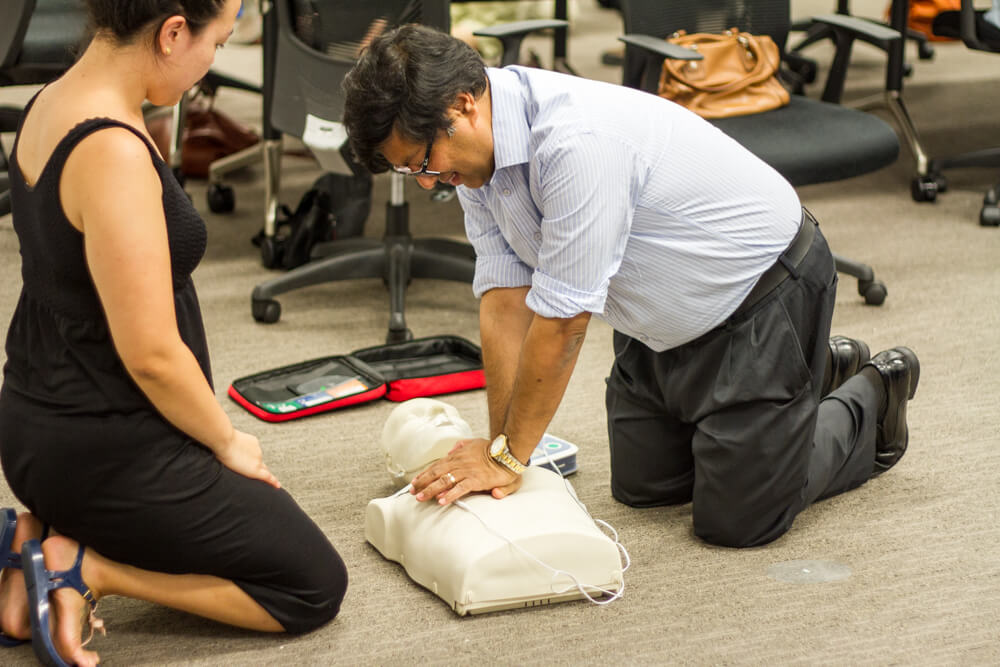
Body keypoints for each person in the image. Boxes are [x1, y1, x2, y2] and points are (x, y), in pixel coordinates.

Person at [341, 24, 921, 550]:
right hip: (657, 319)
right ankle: (809, 381)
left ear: (462, 106)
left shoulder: (574, 143)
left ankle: (870, 395)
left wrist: (510, 456)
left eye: (421, 162)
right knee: (646, 490)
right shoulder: (475, 152)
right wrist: (500, 447)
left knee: (739, 522)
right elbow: (504, 299)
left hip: (762, 298)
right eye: (409, 171)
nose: (426, 183)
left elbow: (564, 322)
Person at [0, 1, 346, 664]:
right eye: (218, 41)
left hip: (36, 422)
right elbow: (153, 354)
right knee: (311, 584)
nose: (213, 60)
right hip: (106, 448)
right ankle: (85, 568)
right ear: (173, 32)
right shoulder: (111, 148)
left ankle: (31, 536)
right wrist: (227, 439)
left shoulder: (53, 97)